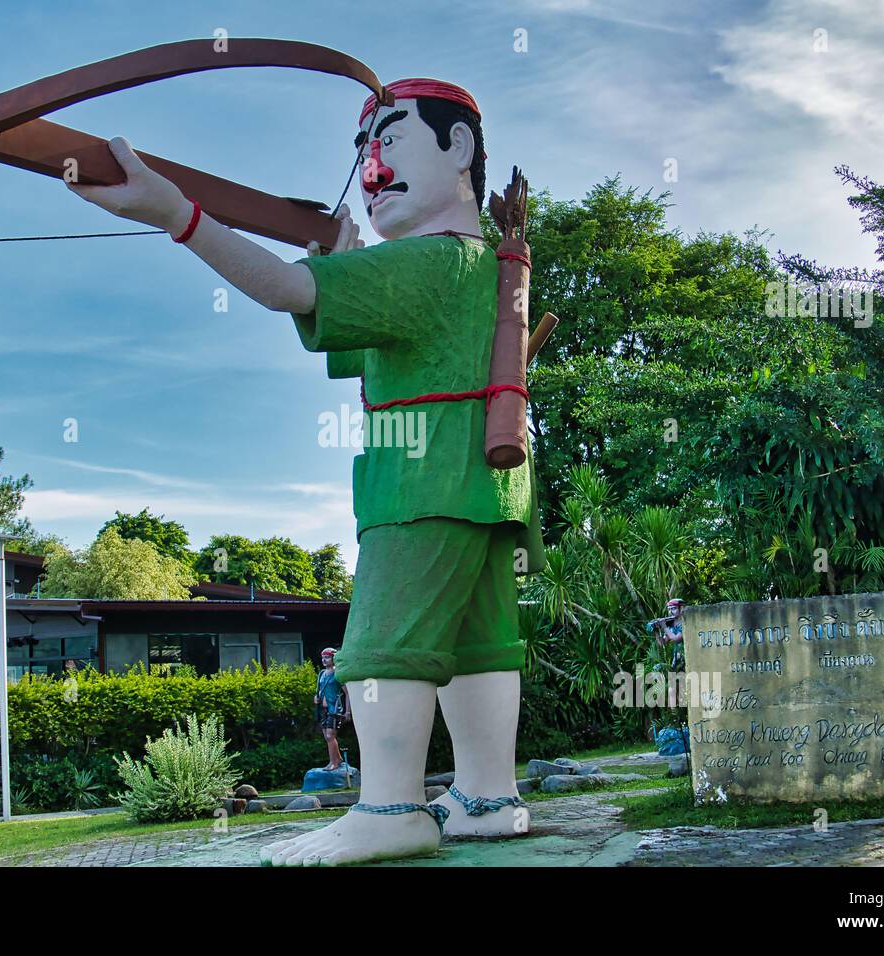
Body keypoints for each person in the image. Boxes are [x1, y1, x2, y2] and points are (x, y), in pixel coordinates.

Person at [68, 76, 544, 866]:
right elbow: (351, 339)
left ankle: (390, 806)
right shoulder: (477, 265)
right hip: (490, 484)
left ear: (458, 147)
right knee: (478, 641)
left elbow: (290, 288)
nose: (372, 166)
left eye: (389, 138)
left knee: (385, 641)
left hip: (419, 485)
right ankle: (487, 797)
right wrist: (341, 266)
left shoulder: (426, 261)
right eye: (364, 148)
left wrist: (178, 216)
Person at [315, 647, 347, 771]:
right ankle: (336, 759)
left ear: (334, 658)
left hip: (334, 708)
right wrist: (316, 697)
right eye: (323, 657)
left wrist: (347, 711)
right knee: (326, 736)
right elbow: (318, 689)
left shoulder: (337, 673)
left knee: (330, 736)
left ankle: (334, 762)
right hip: (323, 709)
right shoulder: (322, 674)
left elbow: (346, 692)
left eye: (327, 657)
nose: (324, 659)